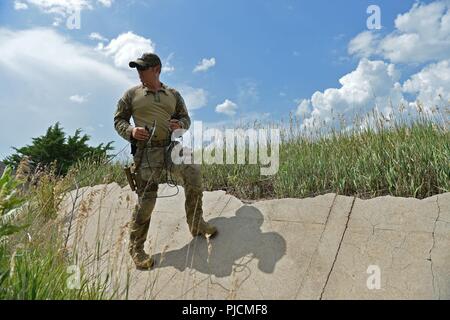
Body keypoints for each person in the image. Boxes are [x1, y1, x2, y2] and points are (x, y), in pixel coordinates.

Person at [114, 53, 217, 270]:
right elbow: (119, 120)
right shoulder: (131, 94)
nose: (139, 73)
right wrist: (132, 131)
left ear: (157, 69)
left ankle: (196, 223)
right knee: (147, 201)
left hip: (170, 147)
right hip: (146, 153)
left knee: (193, 171)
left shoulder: (173, 94)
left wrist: (179, 124)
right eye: (137, 69)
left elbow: (186, 119)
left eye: (143, 69)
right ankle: (137, 248)